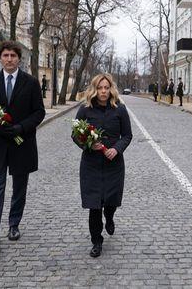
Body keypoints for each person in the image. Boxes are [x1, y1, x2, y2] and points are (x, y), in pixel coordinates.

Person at [0, 41, 46, 250]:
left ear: (19, 59)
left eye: (13, 56)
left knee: (19, 188)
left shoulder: (31, 83)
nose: (9, 59)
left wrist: (21, 128)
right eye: (5, 55)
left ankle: (14, 224)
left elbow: (39, 112)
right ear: (0, 58)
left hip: (21, 143)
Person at [72, 73, 133, 258]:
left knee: (111, 201)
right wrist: (88, 144)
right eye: (100, 88)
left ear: (111, 89)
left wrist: (116, 149)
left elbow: (128, 135)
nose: (104, 91)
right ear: (94, 89)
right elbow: (75, 135)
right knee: (94, 204)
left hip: (113, 164)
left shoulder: (120, 109)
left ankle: (111, 216)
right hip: (91, 164)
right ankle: (96, 241)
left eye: (106, 87)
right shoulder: (85, 110)